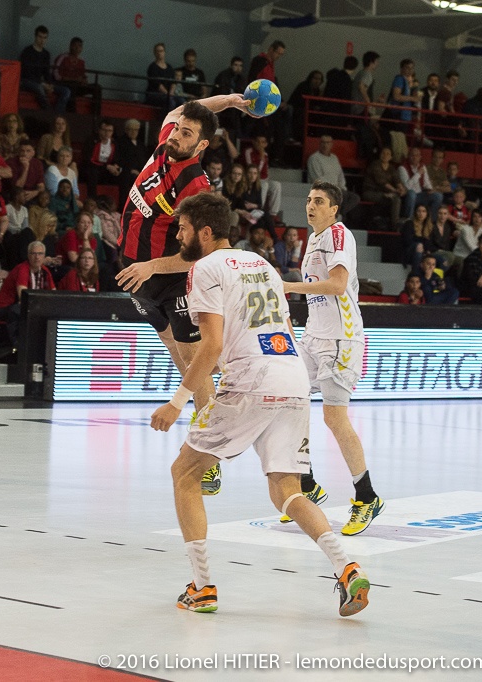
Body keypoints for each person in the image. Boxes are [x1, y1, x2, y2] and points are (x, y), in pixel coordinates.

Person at [152, 190, 369, 618]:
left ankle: (202, 587)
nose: (178, 235)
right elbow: (286, 326)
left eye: (183, 228)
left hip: (250, 379)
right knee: (286, 490)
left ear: (206, 231)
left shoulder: (204, 269)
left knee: (184, 473)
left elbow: (210, 347)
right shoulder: (263, 265)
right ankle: (347, 568)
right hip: (291, 375)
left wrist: (178, 402)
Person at [115, 95, 254, 498]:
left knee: (196, 365)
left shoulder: (196, 184)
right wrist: (228, 101)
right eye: (178, 129)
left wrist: (152, 267)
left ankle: (208, 456)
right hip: (136, 277)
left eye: (188, 133)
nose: (178, 135)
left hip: (173, 279)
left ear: (202, 146)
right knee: (182, 364)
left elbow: (199, 252)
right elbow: (180, 110)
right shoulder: (165, 145)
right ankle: (209, 424)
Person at [282, 182, 383, 535]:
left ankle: (367, 496)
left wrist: (290, 287)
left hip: (341, 339)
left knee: (334, 418)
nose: (310, 205)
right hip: (314, 336)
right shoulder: (313, 238)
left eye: (319, 201)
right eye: (309, 200)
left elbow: (338, 286)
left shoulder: (339, 236)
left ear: (334, 208)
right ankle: (306, 486)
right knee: (288, 402)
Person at [0, 240, 55, 344]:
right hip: (7, 307)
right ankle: (17, 344)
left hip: (30, 305)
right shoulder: (22, 269)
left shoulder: (45, 271)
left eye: (40, 254)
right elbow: (23, 297)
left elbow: (54, 294)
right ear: (28, 255)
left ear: (44, 256)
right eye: (33, 253)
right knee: (19, 310)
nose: (37, 257)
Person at [306, 135, 360, 220]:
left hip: (337, 189)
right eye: (323, 142)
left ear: (331, 144)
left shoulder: (334, 158)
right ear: (319, 144)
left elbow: (340, 175)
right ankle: (339, 216)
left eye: (328, 143)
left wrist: (342, 187)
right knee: (342, 197)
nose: (325, 145)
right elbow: (316, 178)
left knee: (355, 198)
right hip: (322, 189)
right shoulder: (314, 158)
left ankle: (339, 213)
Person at [18, 25, 70, 114]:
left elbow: (46, 72)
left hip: (40, 82)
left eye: (45, 38)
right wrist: (42, 84)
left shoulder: (46, 54)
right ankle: (49, 112)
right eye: (40, 37)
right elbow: (26, 72)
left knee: (66, 91)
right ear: (35, 36)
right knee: (39, 88)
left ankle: (58, 113)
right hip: (27, 81)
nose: (42, 40)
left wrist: (50, 84)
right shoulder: (27, 51)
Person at [53, 37, 100, 115]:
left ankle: (96, 115)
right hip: (65, 85)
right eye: (75, 46)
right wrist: (73, 79)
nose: (77, 48)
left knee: (97, 87)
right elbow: (56, 74)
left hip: (77, 86)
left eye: (80, 46)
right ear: (70, 46)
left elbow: (84, 76)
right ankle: (72, 114)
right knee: (72, 86)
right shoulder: (63, 57)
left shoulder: (81, 61)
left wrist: (84, 81)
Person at [362, 147, 406, 228]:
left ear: (391, 157)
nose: (385, 155)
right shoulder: (375, 165)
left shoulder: (391, 168)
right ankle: (395, 224)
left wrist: (401, 189)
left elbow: (397, 180)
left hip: (385, 192)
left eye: (388, 154)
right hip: (370, 192)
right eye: (383, 153)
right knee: (395, 198)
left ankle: (402, 220)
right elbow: (382, 182)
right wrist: (395, 190)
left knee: (400, 197)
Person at [81, 119, 122, 198]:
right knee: (92, 172)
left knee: (124, 174)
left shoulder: (114, 143)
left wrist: (116, 166)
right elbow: (88, 160)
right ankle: (92, 200)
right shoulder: (91, 141)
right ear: (99, 130)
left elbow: (116, 159)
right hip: (92, 168)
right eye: (104, 130)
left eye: (110, 130)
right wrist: (107, 166)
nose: (107, 133)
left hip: (106, 170)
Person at [398, 147, 442, 220]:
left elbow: (426, 182)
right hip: (408, 195)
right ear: (409, 156)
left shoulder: (422, 166)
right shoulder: (402, 168)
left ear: (420, 157)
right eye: (412, 155)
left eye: (417, 155)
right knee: (412, 193)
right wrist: (418, 174)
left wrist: (430, 189)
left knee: (438, 196)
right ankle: (408, 220)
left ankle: (432, 221)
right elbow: (407, 187)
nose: (415, 157)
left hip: (420, 195)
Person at [211, 57, 245, 139]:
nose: (238, 68)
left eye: (240, 65)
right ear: (231, 65)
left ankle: (237, 137)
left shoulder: (242, 79)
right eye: (236, 65)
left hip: (235, 108)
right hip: (222, 104)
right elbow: (221, 92)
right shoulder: (223, 76)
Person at [387, 59, 421, 133]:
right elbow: (396, 96)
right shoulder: (399, 79)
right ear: (402, 68)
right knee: (398, 138)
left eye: (412, 68)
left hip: (404, 115)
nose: (410, 70)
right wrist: (413, 98)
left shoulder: (406, 81)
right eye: (407, 68)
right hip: (399, 115)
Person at [116, 119, 148, 198]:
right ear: (126, 130)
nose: (134, 132)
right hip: (126, 171)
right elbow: (120, 159)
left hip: (140, 171)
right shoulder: (121, 142)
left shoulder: (141, 144)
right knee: (126, 178)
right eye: (131, 129)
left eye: (136, 130)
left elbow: (144, 159)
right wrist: (131, 170)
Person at [288, 70, 323, 142]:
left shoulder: (317, 90)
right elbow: (298, 101)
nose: (317, 81)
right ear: (310, 78)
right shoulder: (303, 86)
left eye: (319, 79)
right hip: (297, 108)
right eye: (315, 78)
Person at [6, 139, 44, 204]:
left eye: (28, 151)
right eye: (22, 151)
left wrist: (35, 192)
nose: (24, 154)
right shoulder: (11, 162)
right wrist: (25, 168)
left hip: (32, 194)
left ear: (33, 153)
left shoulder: (37, 163)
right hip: (15, 195)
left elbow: (41, 186)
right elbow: (17, 187)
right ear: (18, 152)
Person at [146, 43, 182, 111]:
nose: (159, 53)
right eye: (157, 51)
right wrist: (168, 94)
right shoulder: (152, 67)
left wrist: (171, 93)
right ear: (154, 53)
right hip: (155, 94)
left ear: (164, 52)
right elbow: (157, 84)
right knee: (171, 101)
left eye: (161, 51)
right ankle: (169, 120)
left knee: (182, 100)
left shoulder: (169, 68)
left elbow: (173, 82)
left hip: (169, 94)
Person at [400, 204, 433, 270]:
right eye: (419, 211)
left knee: (441, 259)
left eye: (424, 211)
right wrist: (422, 241)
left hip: (424, 251)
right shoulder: (409, 224)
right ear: (415, 212)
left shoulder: (429, 226)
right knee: (419, 245)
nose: (421, 214)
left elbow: (429, 243)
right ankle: (415, 273)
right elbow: (407, 241)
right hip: (408, 251)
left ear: (427, 214)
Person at [352, 51, 380, 117]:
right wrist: (368, 102)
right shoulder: (367, 74)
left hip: (354, 106)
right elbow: (361, 87)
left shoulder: (360, 72)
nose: (377, 64)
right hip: (360, 108)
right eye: (376, 61)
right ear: (371, 62)